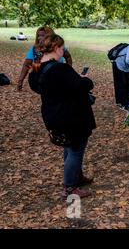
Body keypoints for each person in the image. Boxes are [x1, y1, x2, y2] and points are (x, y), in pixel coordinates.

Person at [29, 34, 96, 200]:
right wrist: (83, 79)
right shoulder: (60, 68)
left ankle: (76, 177)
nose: (63, 51)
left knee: (69, 145)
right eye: (62, 48)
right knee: (75, 149)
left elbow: (39, 88)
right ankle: (69, 187)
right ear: (56, 48)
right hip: (70, 116)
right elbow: (84, 85)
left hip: (52, 113)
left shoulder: (37, 68)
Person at [16, 26, 72, 91]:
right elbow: (26, 65)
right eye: (38, 36)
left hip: (57, 77)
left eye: (42, 35)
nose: (39, 38)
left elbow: (68, 57)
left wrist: (68, 71)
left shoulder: (59, 48)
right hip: (42, 80)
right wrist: (20, 81)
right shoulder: (34, 49)